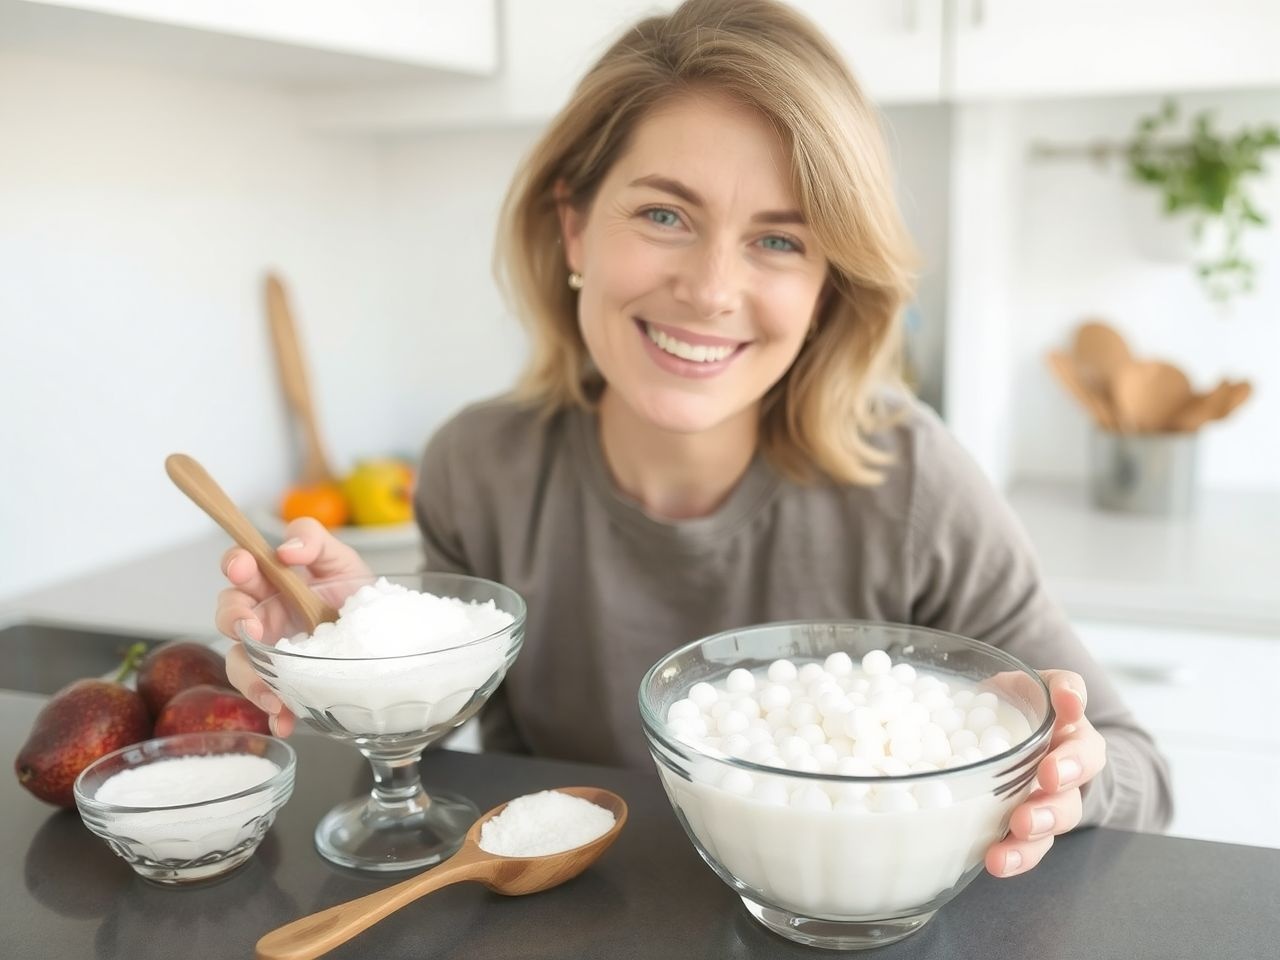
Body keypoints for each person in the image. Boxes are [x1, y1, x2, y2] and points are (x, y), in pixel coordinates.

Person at [218, 0, 1173, 879]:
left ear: (828, 285)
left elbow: (1139, 769)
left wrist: (1066, 778)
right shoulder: (481, 467)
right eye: (665, 215)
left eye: (780, 240)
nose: (713, 289)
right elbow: (483, 764)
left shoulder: (914, 484)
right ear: (577, 227)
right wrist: (359, 651)